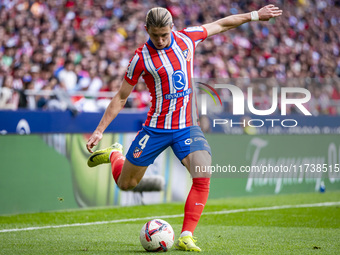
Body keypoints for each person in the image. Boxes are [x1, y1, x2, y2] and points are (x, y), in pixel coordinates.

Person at [86, 5, 282, 252]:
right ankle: (115, 154)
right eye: (154, 35)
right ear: (146, 30)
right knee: (126, 184)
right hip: (156, 128)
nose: (159, 40)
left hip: (186, 127)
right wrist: (99, 130)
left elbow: (222, 23)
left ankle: (186, 235)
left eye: (164, 34)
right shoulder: (140, 58)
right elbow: (121, 97)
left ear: (172, 28)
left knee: (203, 172)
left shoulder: (187, 39)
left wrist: (254, 15)